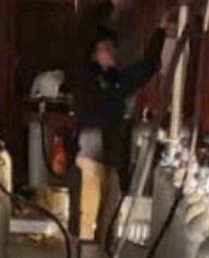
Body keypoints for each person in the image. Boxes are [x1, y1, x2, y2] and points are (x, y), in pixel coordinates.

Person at [70, 3, 179, 244]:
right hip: (89, 158)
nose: (112, 52)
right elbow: (84, 35)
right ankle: (85, 257)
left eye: (113, 48)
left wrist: (161, 31)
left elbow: (148, 67)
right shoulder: (84, 76)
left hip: (111, 158)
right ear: (93, 54)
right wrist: (110, 5)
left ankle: (105, 251)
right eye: (105, 48)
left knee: (111, 214)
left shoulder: (117, 81)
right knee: (87, 220)